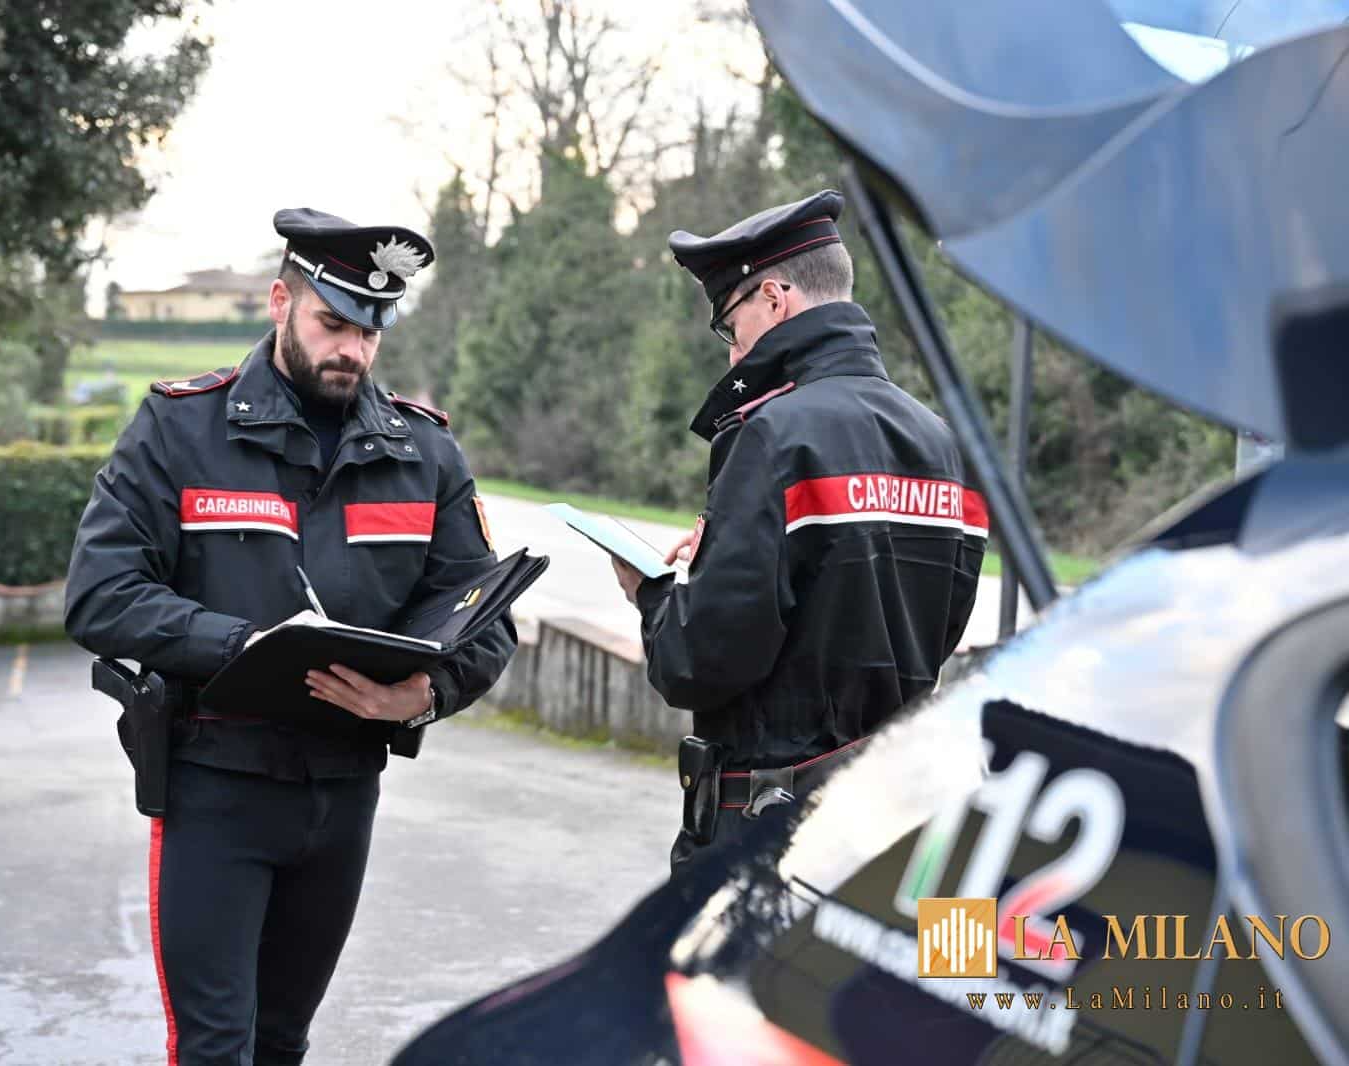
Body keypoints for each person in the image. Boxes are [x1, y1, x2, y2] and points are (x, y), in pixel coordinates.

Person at [65, 208, 517, 1065]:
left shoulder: (423, 452)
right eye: (332, 324)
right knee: (215, 1047)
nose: (353, 349)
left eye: (370, 331)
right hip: (215, 784)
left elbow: (481, 617)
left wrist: (422, 695)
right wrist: (244, 647)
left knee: (281, 1042)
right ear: (281, 304)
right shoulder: (179, 429)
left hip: (345, 789)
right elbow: (102, 595)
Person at [608, 190, 985, 870]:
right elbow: (935, 627)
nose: (733, 355)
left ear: (775, 299)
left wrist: (653, 593)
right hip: (902, 818)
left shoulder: (771, 434)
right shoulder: (943, 442)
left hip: (774, 825)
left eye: (731, 326)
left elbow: (699, 663)